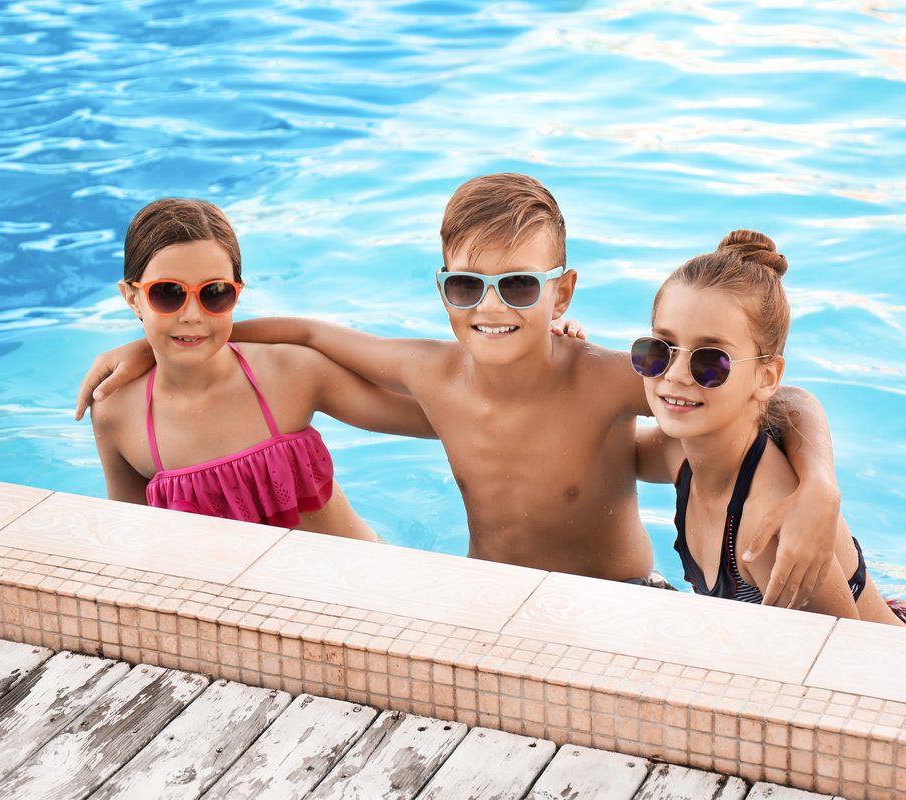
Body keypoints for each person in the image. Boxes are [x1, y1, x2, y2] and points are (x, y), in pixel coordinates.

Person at [77, 175, 840, 603]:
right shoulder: (430, 375)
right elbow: (306, 332)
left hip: (620, 599)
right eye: (469, 286)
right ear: (443, 287)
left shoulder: (610, 376)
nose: (492, 307)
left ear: (562, 293)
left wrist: (821, 487)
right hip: (483, 602)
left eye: (517, 284)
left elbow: (765, 399)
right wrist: (158, 337)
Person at [88, 198, 436, 541]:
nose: (192, 314)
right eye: (167, 293)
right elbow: (129, 539)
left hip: (355, 577)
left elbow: (437, 419)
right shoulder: (117, 410)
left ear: (237, 293)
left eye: (215, 293)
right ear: (132, 298)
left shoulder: (288, 374)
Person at [631, 230, 905, 624]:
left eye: (711, 361)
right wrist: (556, 348)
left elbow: (842, 663)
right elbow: (593, 445)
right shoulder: (679, 449)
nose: (674, 374)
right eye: (659, 350)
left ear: (766, 377)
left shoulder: (768, 524)